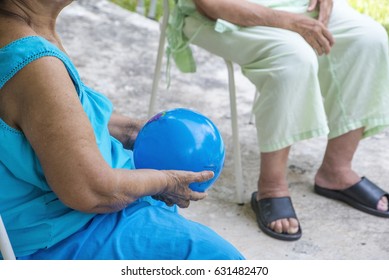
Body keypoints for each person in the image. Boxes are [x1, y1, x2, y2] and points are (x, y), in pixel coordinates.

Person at [0, 0, 245, 260]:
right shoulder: (33, 64)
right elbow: (93, 191)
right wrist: (165, 182)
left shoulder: (23, 28)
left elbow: (53, 116)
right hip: (65, 233)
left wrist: (131, 130)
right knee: (221, 259)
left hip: (65, 217)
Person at [166, 0, 389, 241]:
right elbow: (211, 5)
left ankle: (337, 169)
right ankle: (271, 186)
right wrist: (289, 21)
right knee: (294, 59)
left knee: (369, 39)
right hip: (223, 11)